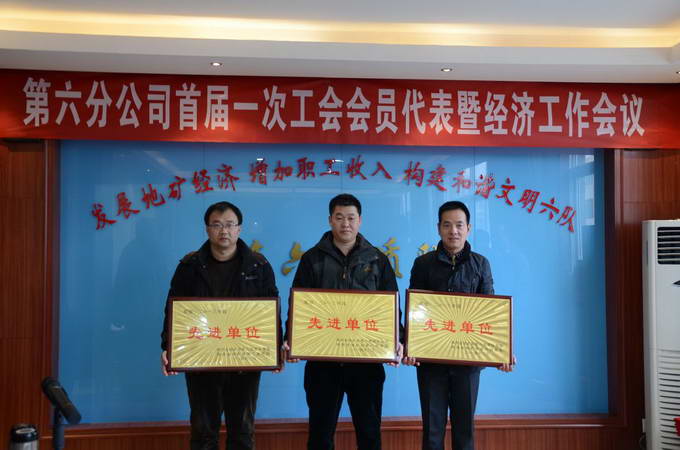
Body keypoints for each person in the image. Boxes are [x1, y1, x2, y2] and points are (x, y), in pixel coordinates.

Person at [284, 193, 400, 450]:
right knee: (320, 434)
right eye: (339, 218)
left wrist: (396, 340)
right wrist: (290, 338)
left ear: (360, 221)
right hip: (323, 363)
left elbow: (391, 307)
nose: (345, 224)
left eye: (350, 218)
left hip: (366, 362)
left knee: (369, 433)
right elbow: (299, 305)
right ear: (330, 220)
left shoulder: (377, 259)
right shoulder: (312, 258)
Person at [160, 201, 279, 450]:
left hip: (244, 360)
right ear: (207, 229)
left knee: (242, 433)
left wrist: (275, 348)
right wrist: (168, 346)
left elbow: (271, 310)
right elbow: (173, 309)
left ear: (239, 228)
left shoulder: (259, 265)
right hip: (201, 359)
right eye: (216, 225)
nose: (223, 231)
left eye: (229, 224)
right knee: (203, 433)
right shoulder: (189, 266)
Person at [405, 200, 514, 450]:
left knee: (465, 431)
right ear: (438, 228)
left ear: (468, 228)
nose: (453, 231)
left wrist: (502, 350)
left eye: (459, 225)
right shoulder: (423, 264)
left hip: (467, 363)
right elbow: (415, 310)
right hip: (431, 361)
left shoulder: (481, 264)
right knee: (432, 432)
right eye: (447, 225)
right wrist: (409, 344)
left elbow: (490, 312)